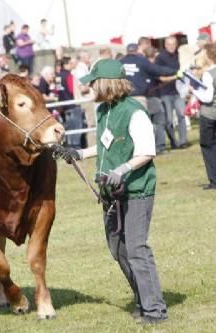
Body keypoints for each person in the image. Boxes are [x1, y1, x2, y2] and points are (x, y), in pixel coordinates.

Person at [58, 60, 168, 324]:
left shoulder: (134, 112)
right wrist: (79, 153)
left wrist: (121, 170)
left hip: (135, 190)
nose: (90, 86)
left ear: (106, 83)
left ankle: (155, 310)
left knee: (136, 249)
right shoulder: (104, 110)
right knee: (118, 249)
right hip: (110, 191)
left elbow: (147, 151)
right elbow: (107, 146)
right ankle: (143, 300)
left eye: (93, 81)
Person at [189, 42, 216, 189]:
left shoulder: (208, 74)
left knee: (208, 146)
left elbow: (207, 98)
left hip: (210, 115)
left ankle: (214, 180)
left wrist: (193, 90)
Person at [121, 43, 177, 109]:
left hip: (124, 99)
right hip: (139, 97)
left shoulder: (120, 62)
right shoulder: (141, 60)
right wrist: (175, 71)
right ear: (137, 50)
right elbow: (158, 70)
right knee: (141, 117)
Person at [156, 37, 188, 148]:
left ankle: (183, 142)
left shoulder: (179, 56)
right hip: (165, 92)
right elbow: (159, 76)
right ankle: (174, 142)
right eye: (169, 44)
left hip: (178, 91)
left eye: (174, 44)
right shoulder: (160, 58)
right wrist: (174, 76)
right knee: (168, 120)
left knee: (182, 115)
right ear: (165, 45)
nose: (172, 46)